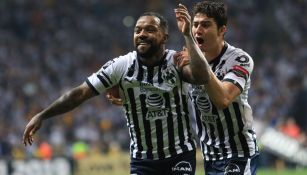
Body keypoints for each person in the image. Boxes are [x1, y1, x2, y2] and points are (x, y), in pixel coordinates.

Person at [23, 10, 210, 175]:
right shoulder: (122, 65)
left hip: (179, 155)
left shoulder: (176, 61)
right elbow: (79, 93)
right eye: (137, 30)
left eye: (150, 30)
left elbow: (202, 77)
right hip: (142, 160)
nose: (142, 34)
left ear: (164, 37)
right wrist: (42, 115)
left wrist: (188, 35)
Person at [175, 1, 259, 175]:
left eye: (206, 25)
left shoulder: (239, 59)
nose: (198, 30)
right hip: (210, 157)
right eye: (195, 25)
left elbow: (223, 99)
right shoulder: (186, 59)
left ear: (222, 30)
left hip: (239, 153)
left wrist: (198, 61)